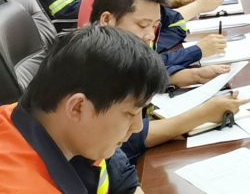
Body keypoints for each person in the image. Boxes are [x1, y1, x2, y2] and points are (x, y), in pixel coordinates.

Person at [91, 0, 247, 163]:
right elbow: (127, 141)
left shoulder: (115, 53)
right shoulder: (96, 69)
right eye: (142, 25)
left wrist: (191, 75)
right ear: (107, 20)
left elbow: (144, 73)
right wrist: (202, 115)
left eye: (155, 26)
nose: (150, 35)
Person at [0, 25, 166, 193]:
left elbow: (120, 176)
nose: (138, 127)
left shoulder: (73, 134)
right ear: (77, 107)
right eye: (130, 113)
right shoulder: (21, 187)